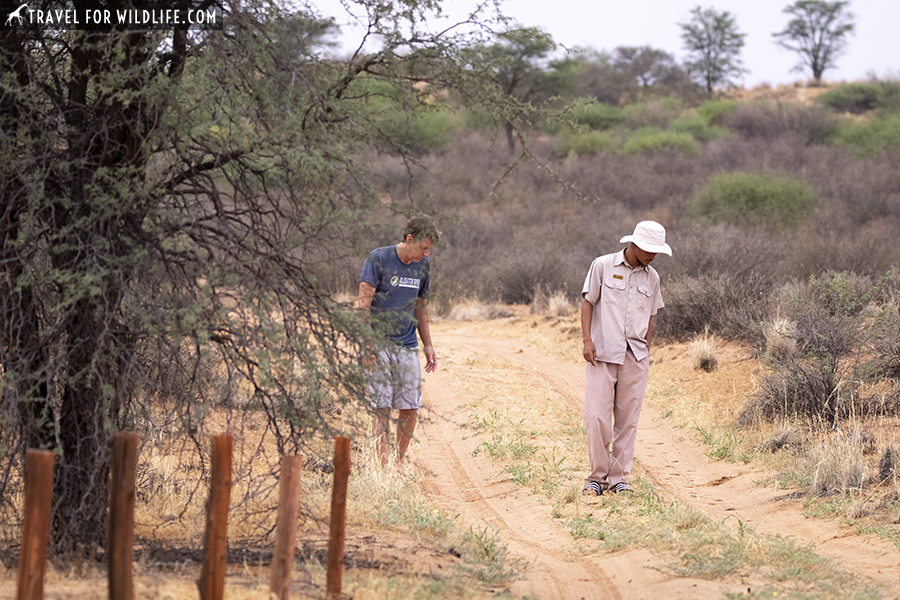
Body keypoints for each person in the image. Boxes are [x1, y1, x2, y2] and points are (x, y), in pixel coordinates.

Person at [580, 220, 670, 495]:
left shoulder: (652, 277)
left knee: (628, 420)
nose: (653, 257)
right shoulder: (602, 265)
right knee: (597, 418)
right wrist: (587, 340)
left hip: (636, 357)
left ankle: (619, 479)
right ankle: (596, 477)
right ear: (635, 244)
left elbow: (651, 317)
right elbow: (587, 301)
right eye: (649, 250)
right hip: (603, 353)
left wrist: (647, 352)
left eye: (657, 252)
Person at [358, 215, 440, 467]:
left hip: (406, 346)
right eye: (423, 247)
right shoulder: (378, 259)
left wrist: (428, 345)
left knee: (410, 408)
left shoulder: (422, 267)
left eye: (429, 250)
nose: (425, 254)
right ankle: (383, 467)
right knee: (381, 407)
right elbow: (363, 306)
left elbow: (421, 308)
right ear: (409, 239)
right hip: (379, 342)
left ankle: (398, 462)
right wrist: (367, 345)